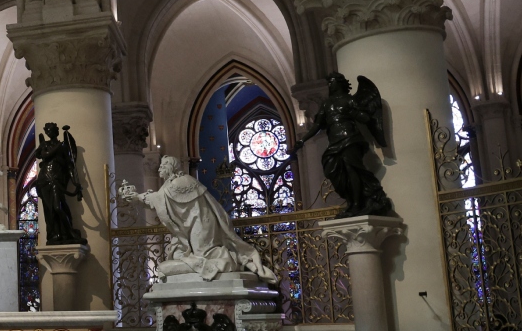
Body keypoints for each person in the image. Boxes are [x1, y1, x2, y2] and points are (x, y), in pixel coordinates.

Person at [120, 156, 276, 283]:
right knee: (176, 258)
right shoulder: (169, 184)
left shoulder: (183, 181)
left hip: (202, 224)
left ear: (173, 167)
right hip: (192, 226)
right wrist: (137, 198)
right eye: (160, 165)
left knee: (204, 254)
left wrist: (138, 197)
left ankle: (235, 260)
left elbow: (160, 198)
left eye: (164, 164)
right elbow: (160, 199)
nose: (160, 167)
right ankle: (237, 261)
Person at [292, 72, 392, 217]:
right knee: (332, 170)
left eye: (332, 82)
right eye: (329, 82)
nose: (330, 85)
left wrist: (354, 112)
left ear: (340, 83)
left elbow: (365, 118)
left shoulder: (350, 100)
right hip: (335, 141)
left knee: (352, 169)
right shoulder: (327, 104)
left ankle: (356, 204)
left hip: (350, 138)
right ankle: (352, 201)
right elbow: (317, 125)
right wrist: (302, 140)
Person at [35, 122, 85, 245]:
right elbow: (44, 155)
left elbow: (69, 166)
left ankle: (70, 232)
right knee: (49, 210)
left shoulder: (64, 147)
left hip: (56, 180)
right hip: (44, 179)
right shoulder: (45, 145)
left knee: (58, 207)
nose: (49, 132)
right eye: (47, 130)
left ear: (56, 131)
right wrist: (58, 146)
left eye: (51, 130)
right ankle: (55, 234)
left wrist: (75, 183)